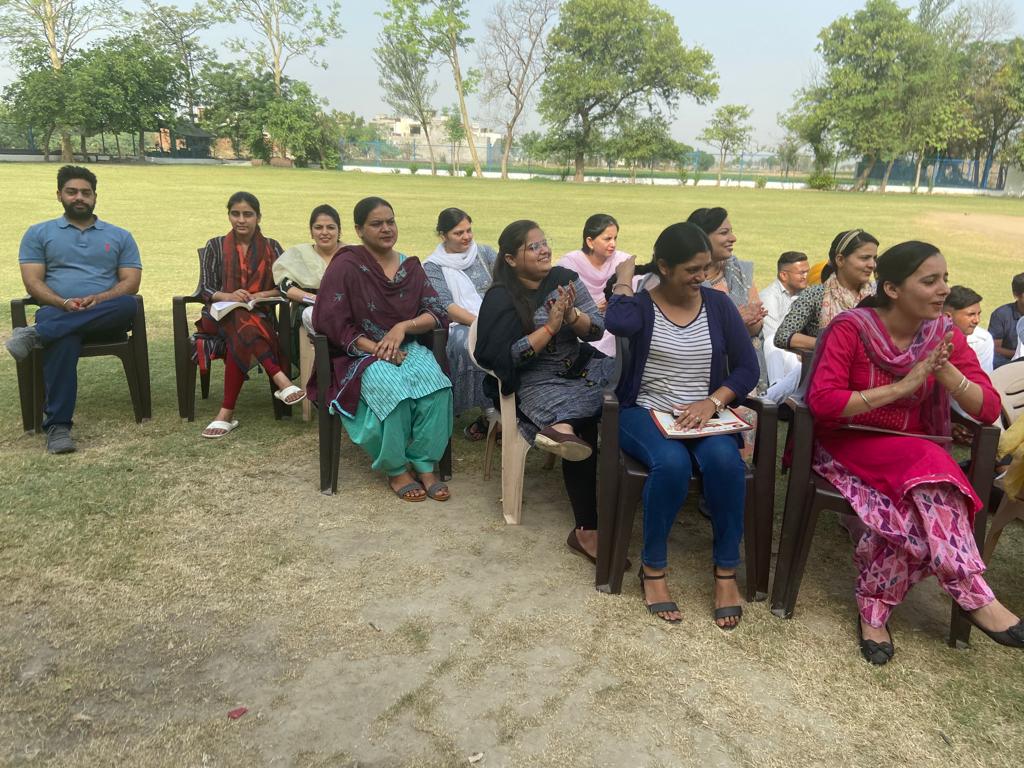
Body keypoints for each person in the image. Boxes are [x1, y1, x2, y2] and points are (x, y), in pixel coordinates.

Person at [806, 240, 1023, 665]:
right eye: (930, 281)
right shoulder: (851, 328)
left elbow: (989, 408)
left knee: (915, 510)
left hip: (912, 450)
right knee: (936, 472)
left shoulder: (944, 334)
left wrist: (948, 373)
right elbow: (823, 402)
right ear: (892, 288)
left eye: (945, 278)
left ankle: (873, 608)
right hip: (847, 442)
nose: (944, 290)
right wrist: (903, 387)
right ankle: (974, 595)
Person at [605, 223, 759, 628]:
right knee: (670, 464)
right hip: (644, 411)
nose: (701, 276)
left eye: (705, 267)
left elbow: (747, 368)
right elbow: (617, 323)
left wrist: (712, 402)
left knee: (727, 464)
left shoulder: (718, 306)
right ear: (664, 266)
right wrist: (624, 278)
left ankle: (726, 572)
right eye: (692, 269)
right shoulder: (641, 305)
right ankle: (653, 569)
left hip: (703, 415)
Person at [474, 220, 614, 564]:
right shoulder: (500, 297)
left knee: (632, 387)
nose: (544, 250)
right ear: (510, 259)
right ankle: (587, 530)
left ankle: (562, 430)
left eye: (544, 242)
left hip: (582, 365)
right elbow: (503, 357)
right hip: (536, 379)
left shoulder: (564, 280)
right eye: (533, 246)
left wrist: (572, 316)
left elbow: (597, 330)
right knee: (585, 422)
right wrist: (549, 328)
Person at [309, 197, 453, 502]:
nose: (386, 229)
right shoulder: (346, 265)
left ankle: (425, 464)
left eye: (390, 221)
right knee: (393, 392)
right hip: (358, 354)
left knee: (438, 388)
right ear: (359, 230)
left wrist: (403, 327)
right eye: (376, 224)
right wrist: (376, 348)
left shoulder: (410, 267)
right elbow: (330, 320)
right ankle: (396, 468)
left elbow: (436, 312)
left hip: (406, 347)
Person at [6, 165, 142, 454]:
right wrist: (63, 303)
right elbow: (33, 282)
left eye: (85, 192)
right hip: (57, 310)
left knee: (127, 303)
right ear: (59, 195)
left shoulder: (120, 236)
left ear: (95, 197)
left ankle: (37, 334)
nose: (79, 197)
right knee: (64, 336)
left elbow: (131, 282)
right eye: (72, 192)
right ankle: (58, 427)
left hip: (106, 314)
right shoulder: (39, 233)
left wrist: (100, 298)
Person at [196, 191, 303, 438]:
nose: (241, 220)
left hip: (257, 316)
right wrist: (230, 296)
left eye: (248, 214)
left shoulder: (272, 247)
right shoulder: (215, 245)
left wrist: (261, 295)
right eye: (235, 214)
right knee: (239, 318)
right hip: (218, 316)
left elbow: (285, 286)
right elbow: (206, 288)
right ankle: (281, 379)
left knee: (241, 333)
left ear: (258, 217)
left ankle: (226, 414)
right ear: (229, 216)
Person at [769, 229, 878, 403]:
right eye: (865, 258)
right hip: (827, 373)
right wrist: (832, 344)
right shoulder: (817, 294)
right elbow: (782, 336)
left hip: (871, 374)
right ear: (840, 260)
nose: (872, 264)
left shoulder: (877, 297)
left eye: (874, 258)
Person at [422, 207, 498, 441]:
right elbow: (446, 306)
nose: (466, 237)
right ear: (443, 235)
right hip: (460, 323)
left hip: (496, 316)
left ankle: (512, 408)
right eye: (458, 233)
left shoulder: (484, 253)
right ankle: (490, 413)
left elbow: (505, 285)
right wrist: (480, 324)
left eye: (468, 230)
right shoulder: (433, 266)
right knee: (467, 343)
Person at [559, 213, 633, 356]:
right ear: (590, 242)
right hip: (580, 325)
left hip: (613, 324)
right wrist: (589, 310)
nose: (613, 244)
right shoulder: (569, 264)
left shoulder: (623, 262)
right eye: (608, 239)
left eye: (615, 238)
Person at [273, 203, 343, 334]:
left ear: (339, 231)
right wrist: (316, 300)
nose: (324, 232)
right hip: (309, 315)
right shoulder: (300, 255)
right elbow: (285, 287)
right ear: (311, 232)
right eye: (318, 227)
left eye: (330, 227)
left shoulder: (352, 255)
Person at [760, 251, 809, 388]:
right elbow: (774, 337)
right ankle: (777, 387)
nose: (806, 276)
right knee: (771, 341)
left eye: (807, 272)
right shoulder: (769, 297)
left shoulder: (808, 294)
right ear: (783, 275)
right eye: (801, 273)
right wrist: (799, 352)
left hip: (803, 350)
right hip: (783, 351)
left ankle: (778, 393)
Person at [943, 285, 994, 373]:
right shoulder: (927, 336)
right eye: (971, 314)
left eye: (978, 314)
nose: (977, 320)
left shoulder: (982, 340)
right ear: (948, 316)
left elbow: (980, 375)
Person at [987, 272, 1024, 367]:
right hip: (1009, 364)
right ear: (1016, 294)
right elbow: (994, 348)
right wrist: (1019, 356)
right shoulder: (1001, 315)